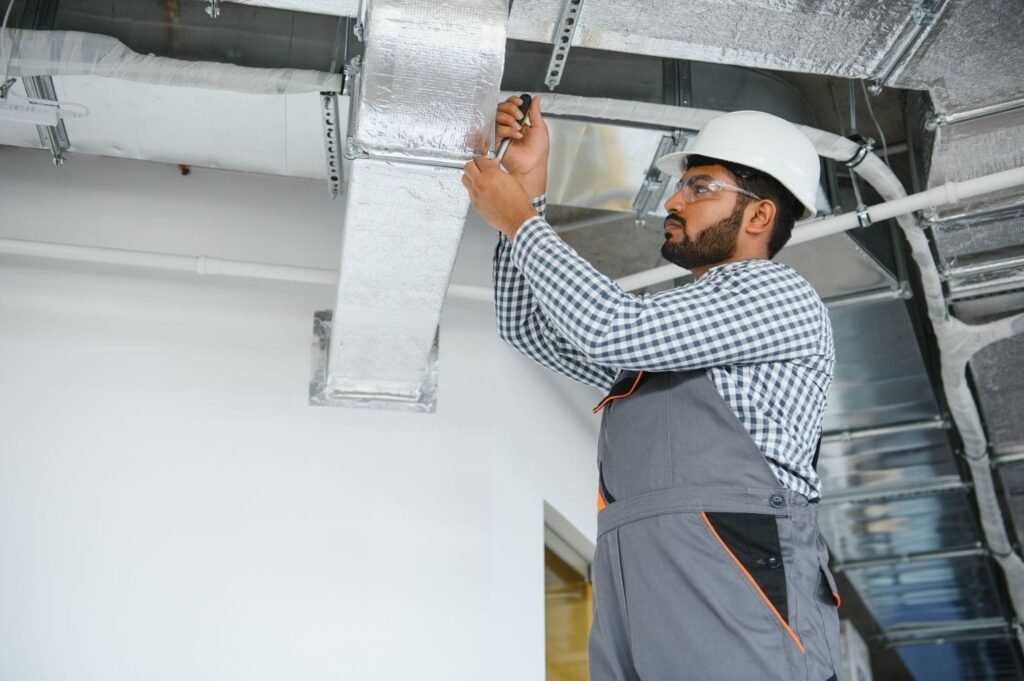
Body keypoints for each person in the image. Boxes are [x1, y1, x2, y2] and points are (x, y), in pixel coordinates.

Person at [462, 97, 840, 681]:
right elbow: (529, 329)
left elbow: (609, 328)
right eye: (680, 187)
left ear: (760, 216)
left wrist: (520, 221)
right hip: (634, 574)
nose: (672, 201)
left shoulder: (777, 295)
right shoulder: (675, 331)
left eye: (700, 187)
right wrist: (528, 187)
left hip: (735, 571)